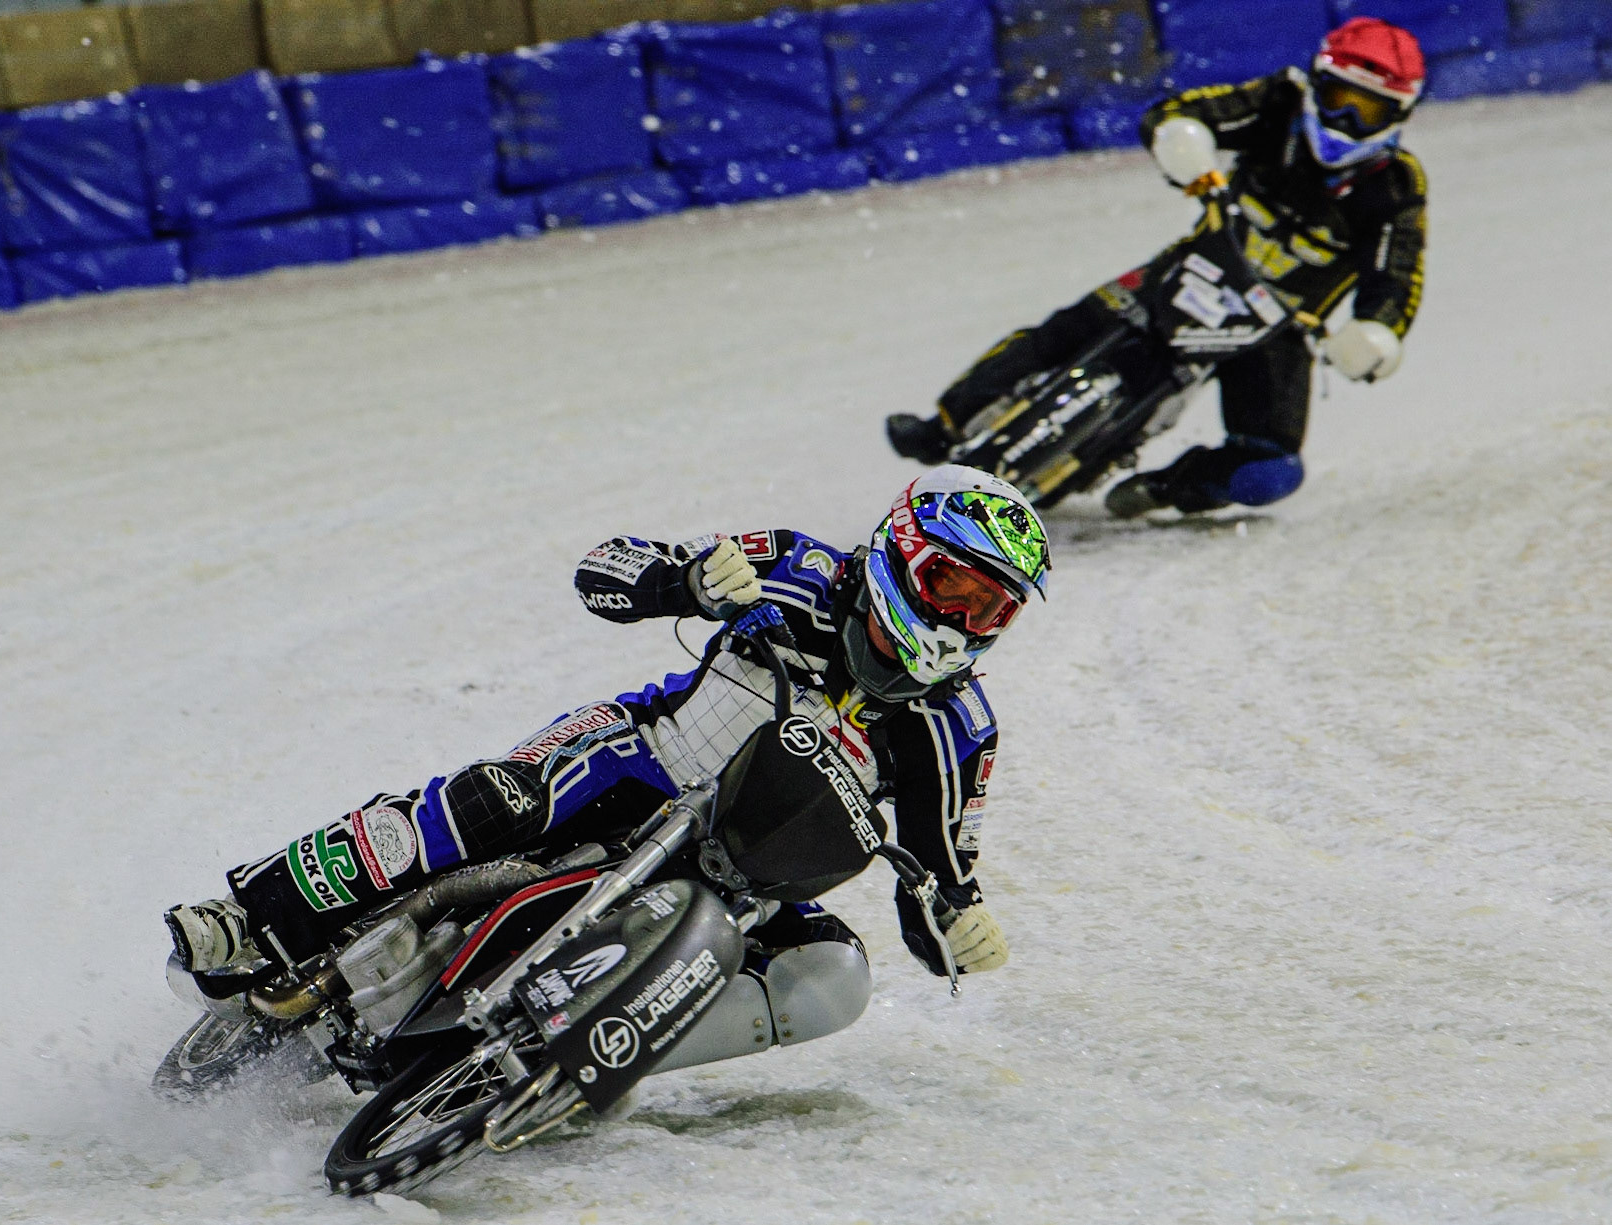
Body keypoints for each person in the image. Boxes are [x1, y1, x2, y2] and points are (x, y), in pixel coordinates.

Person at [164, 466, 1050, 1063]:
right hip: (640, 762)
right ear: (897, 548)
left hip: (747, 880)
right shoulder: (798, 567)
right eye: (950, 587)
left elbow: (936, 881)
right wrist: (689, 584)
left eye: (989, 610)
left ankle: (587, 1059)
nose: (960, 623)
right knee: (491, 802)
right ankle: (251, 912)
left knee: (836, 979)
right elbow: (605, 570)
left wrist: (958, 928)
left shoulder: (959, 728)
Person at [886, 16, 1428, 519]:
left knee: (1271, 470)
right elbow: (1178, 113)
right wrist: (1186, 152)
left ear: (1398, 115)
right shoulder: (1279, 102)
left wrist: (1376, 335)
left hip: (1277, 328)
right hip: (1196, 267)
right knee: (1060, 334)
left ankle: (1173, 485)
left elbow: (1396, 275)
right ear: (1315, 85)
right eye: (1338, 99)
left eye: (1371, 109)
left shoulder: (1398, 187)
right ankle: (945, 425)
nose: (1348, 120)